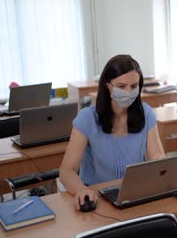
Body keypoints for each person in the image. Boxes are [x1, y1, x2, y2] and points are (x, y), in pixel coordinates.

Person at [60, 55, 165, 210]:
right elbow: (66, 171)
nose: (129, 92)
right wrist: (81, 190)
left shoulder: (146, 113)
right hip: (97, 197)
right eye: (121, 87)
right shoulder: (87, 118)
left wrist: (162, 165)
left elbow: (157, 156)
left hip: (135, 194)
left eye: (134, 86)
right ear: (107, 84)